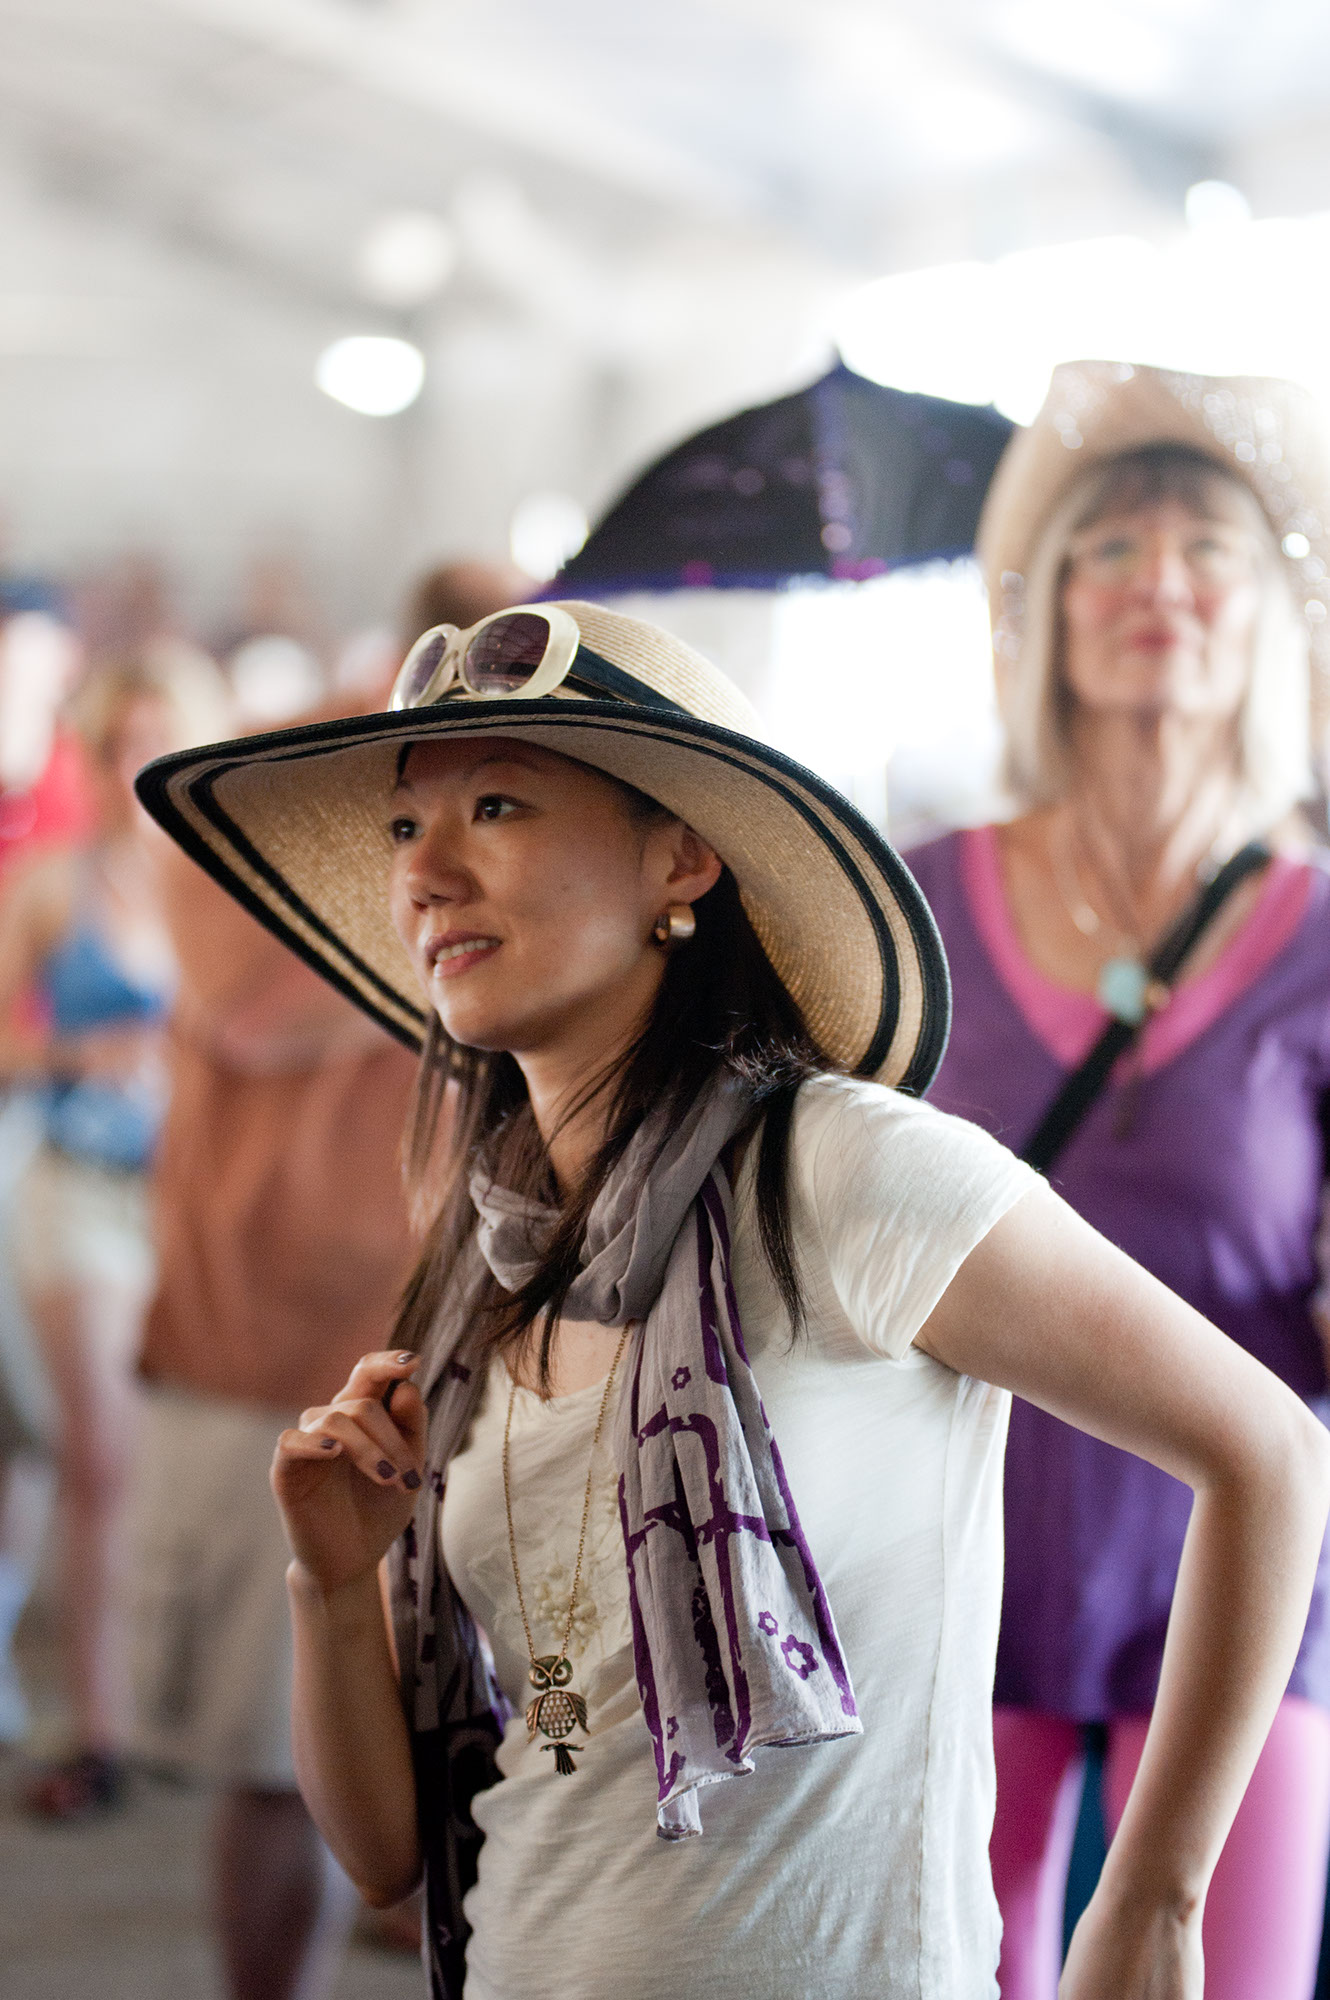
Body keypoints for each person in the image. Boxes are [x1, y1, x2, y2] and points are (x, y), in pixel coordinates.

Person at [135, 597, 1330, 1999]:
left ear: (679, 857)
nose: (426, 873)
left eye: (498, 806)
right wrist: (332, 1584)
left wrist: (1151, 1900)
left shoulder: (843, 1169)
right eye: (406, 829)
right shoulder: (488, 1260)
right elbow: (391, 1855)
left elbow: (1267, 1452)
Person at [905, 360, 1330, 1999]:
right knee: (958, 1970)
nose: (1160, 579)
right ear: (1049, 615)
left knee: (1229, 1975)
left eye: (1207, 548)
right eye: (1110, 547)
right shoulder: (919, 906)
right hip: (966, 1539)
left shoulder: (1315, 937)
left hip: (1245, 1564)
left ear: (1264, 622)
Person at [124, 561, 525, 2000]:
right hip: (266, 1358)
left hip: (448, 1357)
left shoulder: (524, 838)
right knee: (264, 1759)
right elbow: (253, 1004)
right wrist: (469, 917)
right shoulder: (273, 808)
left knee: (461, 1754)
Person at [0, 653, 222, 1815]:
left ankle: (162, 1704)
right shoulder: (50, 883)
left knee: (182, 1466)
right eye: (116, 741)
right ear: (88, 756)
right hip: (78, 1185)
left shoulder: (215, 889)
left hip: (188, 1200)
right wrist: (75, 1052)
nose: (134, 763)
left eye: (155, 739)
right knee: (98, 1458)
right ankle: (95, 1729)